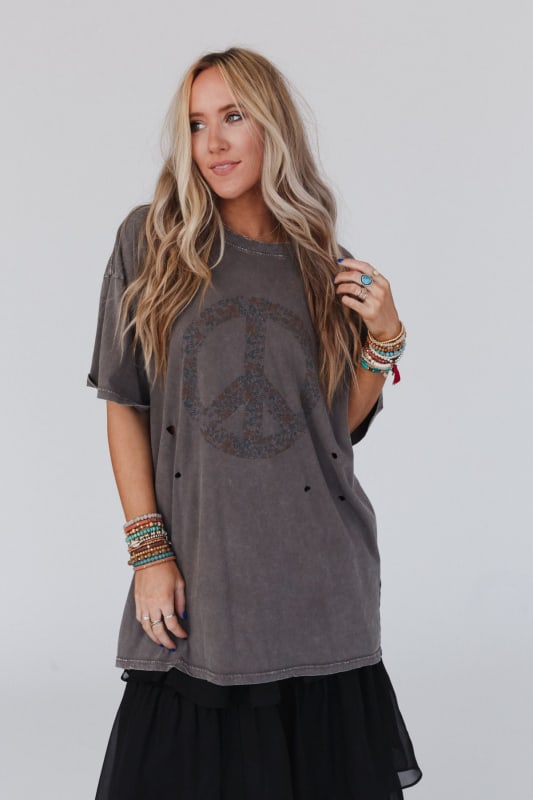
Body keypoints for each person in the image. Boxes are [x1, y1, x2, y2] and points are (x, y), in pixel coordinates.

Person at [86, 46, 423, 800]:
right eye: (196, 123)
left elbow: (333, 429)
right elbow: (124, 402)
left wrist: (385, 339)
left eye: (233, 117)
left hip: (319, 585)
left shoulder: (324, 262)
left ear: (272, 126)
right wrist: (148, 553)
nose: (212, 142)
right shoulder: (151, 242)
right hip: (202, 582)